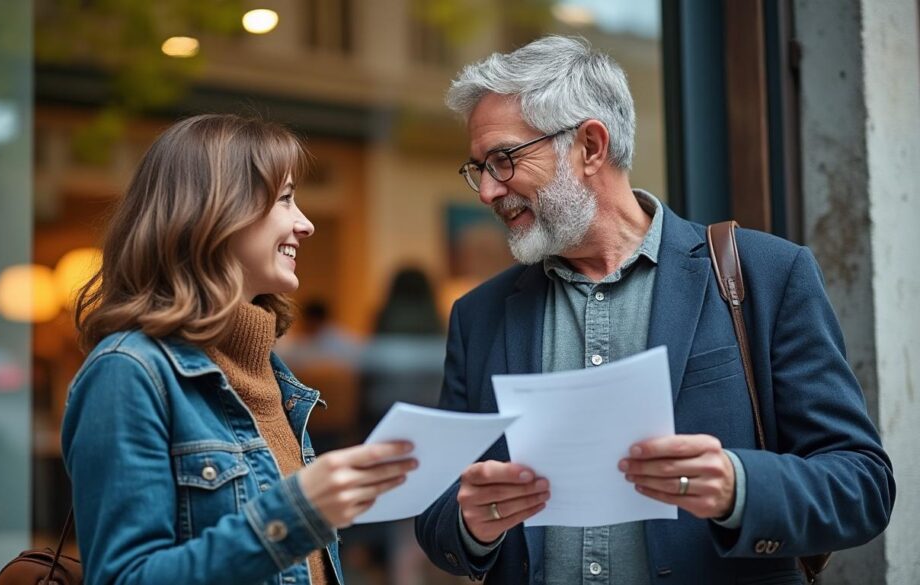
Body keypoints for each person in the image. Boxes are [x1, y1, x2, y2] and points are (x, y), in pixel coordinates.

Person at [414, 36, 894, 585]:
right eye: (477, 168)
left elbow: (863, 486)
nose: (487, 192)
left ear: (591, 146)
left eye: (503, 160)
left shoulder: (766, 276)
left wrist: (739, 486)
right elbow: (436, 514)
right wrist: (473, 524)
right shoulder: (481, 315)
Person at [62, 114, 417, 585]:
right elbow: (124, 578)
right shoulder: (129, 372)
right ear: (215, 210)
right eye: (286, 198)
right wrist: (292, 515)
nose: (305, 223)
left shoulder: (273, 375)